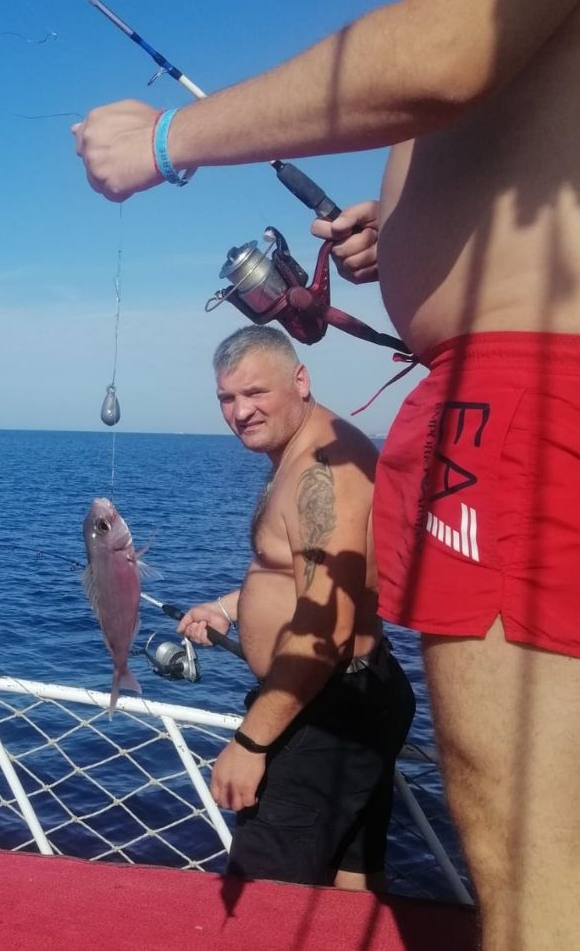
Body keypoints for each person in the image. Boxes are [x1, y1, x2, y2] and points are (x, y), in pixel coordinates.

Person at [73, 0, 580, 944]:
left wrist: (168, 140)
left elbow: (437, 53)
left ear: (299, 382)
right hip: (503, 385)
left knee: (529, 847)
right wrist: (400, 229)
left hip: (522, 393)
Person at [177, 326, 413, 891]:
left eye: (255, 392)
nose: (240, 412)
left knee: (264, 901)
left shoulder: (321, 468)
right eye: (227, 398)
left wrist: (251, 742)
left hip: (326, 710)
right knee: (350, 890)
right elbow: (302, 575)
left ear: (300, 381)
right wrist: (229, 608)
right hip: (352, 696)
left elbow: (326, 624)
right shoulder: (305, 450)